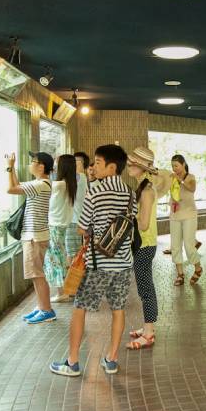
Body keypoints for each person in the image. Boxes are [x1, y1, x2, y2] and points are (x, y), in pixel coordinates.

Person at [50, 144, 135, 377]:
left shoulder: (95, 191)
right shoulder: (130, 193)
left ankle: (72, 362)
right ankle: (111, 360)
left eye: (98, 162)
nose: (93, 167)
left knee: (80, 309)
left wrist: (91, 230)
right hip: (123, 263)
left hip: (98, 264)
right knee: (118, 309)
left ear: (112, 167)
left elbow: (81, 228)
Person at [9, 151, 56, 324]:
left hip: (35, 237)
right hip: (34, 235)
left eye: (33, 162)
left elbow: (11, 189)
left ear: (41, 167)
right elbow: (16, 185)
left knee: (37, 274)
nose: (30, 165)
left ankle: (46, 310)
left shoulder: (41, 185)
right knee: (35, 274)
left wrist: (9, 168)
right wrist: (12, 167)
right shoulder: (39, 184)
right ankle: (42, 306)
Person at [126, 147, 159, 349]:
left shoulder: (146, 191)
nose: (129, 166)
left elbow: (144, 224)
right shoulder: (142, 187)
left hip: (144, 244)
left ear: (143, 168)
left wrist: (128, 217)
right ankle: (148, 327)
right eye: (129, 162)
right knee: (146, 288)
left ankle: (148, 333)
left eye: (133, 163)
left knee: (146, 290)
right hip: (144, 244)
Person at [45, 154, 80, 301]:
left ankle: (62, 293)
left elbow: (42, 187)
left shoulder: (58, 185)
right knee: (60, 257)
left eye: (56, 163)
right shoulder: (71, 183)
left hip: (55, 226)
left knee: (55, 259)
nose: (54, 166)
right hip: (62, 225)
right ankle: (67, 290)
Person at [168, 154, 203, 285]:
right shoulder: (171, 178)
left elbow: (192, 188)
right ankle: (180, 274)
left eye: (176, 166)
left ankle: (198, 268)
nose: (174, 168)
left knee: (189, 245)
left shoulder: (190, 177)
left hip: (189, 215)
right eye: (172, 166)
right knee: (175, 246)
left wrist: (180, 180)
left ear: (183, 165)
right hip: (175, 215)